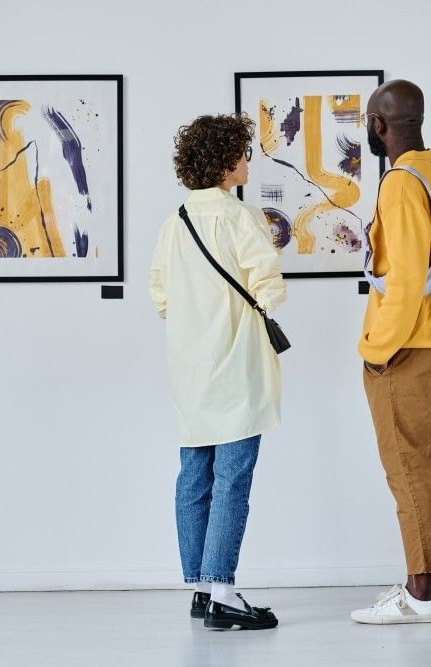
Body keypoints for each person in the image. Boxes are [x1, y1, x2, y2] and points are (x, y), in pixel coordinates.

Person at [350, 80, 431, 624]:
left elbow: (403, 280)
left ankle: (420, 593)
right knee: (430, 461)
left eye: (369, 124)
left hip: (407, 349)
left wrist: (380, 348)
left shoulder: (401, 183)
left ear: (380, 126)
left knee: (406, 466)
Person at [149, 114, 286, 631]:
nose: (249, 162)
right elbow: (268, 285)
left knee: (194, 476)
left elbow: (159, 296)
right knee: (232, 478)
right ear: (227, 162)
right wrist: (265, 303)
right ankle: (225, 590)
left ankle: (202, 588)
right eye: (244, 154)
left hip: (189, 366)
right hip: (236, 364)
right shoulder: (239, 217)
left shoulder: (173, 223)